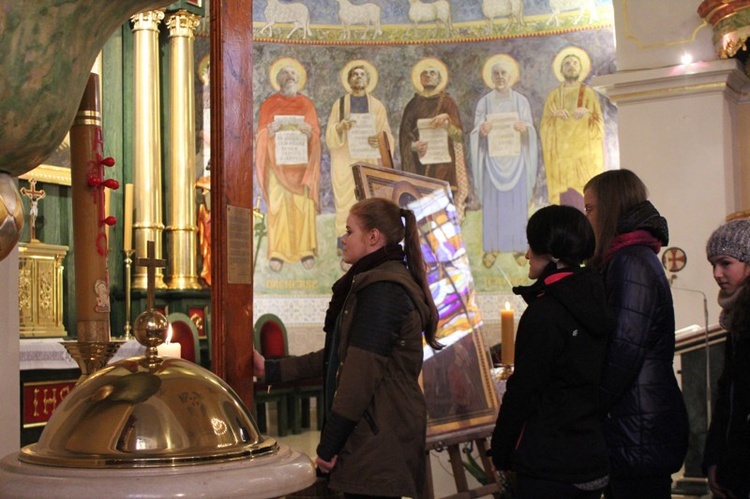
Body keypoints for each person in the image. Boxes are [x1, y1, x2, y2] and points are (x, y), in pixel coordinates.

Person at [253, 197, 442, 498]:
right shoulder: (373, 282)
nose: (343, 239)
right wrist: (271, 369)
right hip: (374, 431)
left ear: (373, 237)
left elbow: (358, 375)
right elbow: (337, 358)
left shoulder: (383, 290)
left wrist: (330, 445)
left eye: (349, 231)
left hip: (379, 435)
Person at [490, 204, 612, 498]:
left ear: (554, 254)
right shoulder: (598, 296)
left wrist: (501, 451)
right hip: (592, 454)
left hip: (550, 464)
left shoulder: (546, 311)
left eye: (533, 246)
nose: (528, 255)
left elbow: (524, 390)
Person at [583, 169, 688, 498]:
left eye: (589, 209)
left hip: (637, 424)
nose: (586, 219)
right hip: (633, 420)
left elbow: (624, 347)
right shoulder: (626, 258)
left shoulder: (631, 262)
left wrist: (589, 404)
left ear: (610, 208)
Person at [469, 54, 538, 268]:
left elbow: (530, 130)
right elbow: (475, 131)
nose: (500, 77)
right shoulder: (485, 102)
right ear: (491, 77)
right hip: (492, 162)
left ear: (511, 76)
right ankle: (493, 248)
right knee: (494, 206)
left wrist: (525, 129)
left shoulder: (520, 101)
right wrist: (481, 131)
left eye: (503, 73)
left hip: (517, 161)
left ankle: (519, 246)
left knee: (516, 205)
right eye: (496, 73)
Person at [255, 57, 321, 273]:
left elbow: (315, 134)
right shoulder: (269, 104)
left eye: (293, 74)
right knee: (278, 207)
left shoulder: (306, 104)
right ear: (279, 80)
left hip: (301, 169)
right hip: (277, 166)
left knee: (303, 207)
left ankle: (305, 251)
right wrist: (268, 132)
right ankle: (278, 253)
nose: (290, 77)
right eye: (285, 74)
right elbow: (261, 134)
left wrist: (310, 133)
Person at [326, 60, 394, 261]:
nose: (358, 77)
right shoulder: (340, 105)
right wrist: (340, 128)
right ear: (348, 80)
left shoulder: (377, 106)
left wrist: (379, 139)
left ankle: (368, 245)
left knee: (366, 202)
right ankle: (343, 241)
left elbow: (387, 135)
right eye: (354, 74)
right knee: (346, 202)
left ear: (368, 79)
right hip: (345, 162)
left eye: (361, 74)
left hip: (368, 159)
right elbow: (330, 135)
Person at [702, 218, 750, 498]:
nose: (717, 273)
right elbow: (727, 398)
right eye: (713, 265)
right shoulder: (737, 320)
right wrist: (714, 458)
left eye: (725, 263)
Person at [399, 58, 470, 220]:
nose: (429, 76)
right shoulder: (413, 105)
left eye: (433, 73)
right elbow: (404, 136)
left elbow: (458, 136)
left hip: (444, 165)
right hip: (420, 165)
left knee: (444, 212)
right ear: (419, 79)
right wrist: (413, 146)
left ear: (439, 78)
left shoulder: (447, 102)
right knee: (423, 214)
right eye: (425, 73)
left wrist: (447, 123)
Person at [541, 46, 604, 209]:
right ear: (561, 70)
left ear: (580, 68)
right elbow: (544, 126)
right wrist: (554, 118)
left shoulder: (588, 94)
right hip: (561, 161)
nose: (571, 66)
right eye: (567, 63)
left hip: (584, 160)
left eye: (575, 63)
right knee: (566, 205)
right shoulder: (554, 96)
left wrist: (588, 114)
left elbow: (599, 126)